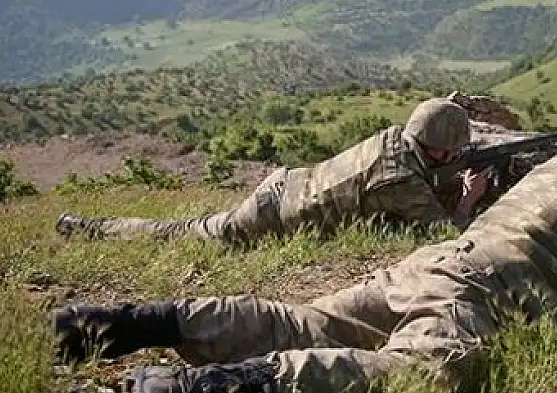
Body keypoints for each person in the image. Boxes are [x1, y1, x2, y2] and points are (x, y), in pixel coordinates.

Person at [52, 92, 557, 393]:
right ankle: (197, 392)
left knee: (304, 322)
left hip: (437, 263)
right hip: (489, 292)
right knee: (423, 372)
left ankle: (125, 324)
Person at [54, 98, 491, 246]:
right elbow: (445, 235)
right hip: (276, 215)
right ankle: (88, 227)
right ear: (438, 148)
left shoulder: (395, 138)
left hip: (288, 184)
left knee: (189, 228)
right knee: (184, 233)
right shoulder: (399, 179)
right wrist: (469, 198)